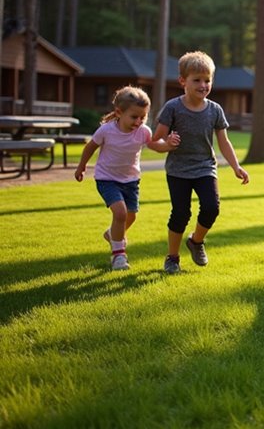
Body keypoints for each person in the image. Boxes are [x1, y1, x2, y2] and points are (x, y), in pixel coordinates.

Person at [152, 51, 250, 274]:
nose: (203, 85)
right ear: (183, 81)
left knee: (211, 208)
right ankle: (173, 258)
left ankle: (196, 241)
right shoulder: (173, 108)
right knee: (180, 213)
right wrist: (167, 144)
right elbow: (154, 141)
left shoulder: (215, 110)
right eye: (197, 80)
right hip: (178, 170)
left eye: (207, 80)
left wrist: (236, 166)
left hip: (205, 167)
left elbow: (223, 142)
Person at [75, 86, 181, 270]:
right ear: (119, 112)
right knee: (121, 213)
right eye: (134, 117)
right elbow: (90, 147)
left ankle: (112, 235)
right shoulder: (106, 131)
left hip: (131, 181)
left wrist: (169, 145)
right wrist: (82, 166)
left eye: (143, 117)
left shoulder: (143, 131)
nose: (139, 121)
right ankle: (119, 255)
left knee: (130, 217)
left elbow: (156, 146)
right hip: (106, 179)